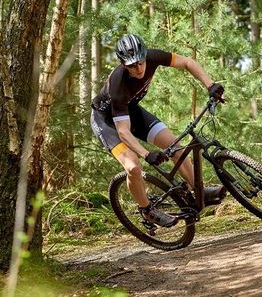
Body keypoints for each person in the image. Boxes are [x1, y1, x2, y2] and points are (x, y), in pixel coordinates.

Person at [90, 34, 227, 227]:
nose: (138, 69)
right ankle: (146, 210)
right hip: (107, 122)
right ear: (123, 64)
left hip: (131, 111)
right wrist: (146, 154)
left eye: (141, 62)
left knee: (175, 146)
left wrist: (210, 84)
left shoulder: (153, 57)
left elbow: (187, 62)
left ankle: (197, 189)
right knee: (133, 167)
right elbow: (123, 132)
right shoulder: (118, 86)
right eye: (131, 66)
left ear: (145, 55)